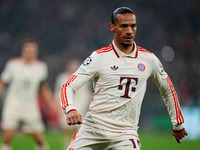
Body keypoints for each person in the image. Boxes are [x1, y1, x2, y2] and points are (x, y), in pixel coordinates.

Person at [60, 7, 188, 150]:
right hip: (93, 129)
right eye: (123, 26)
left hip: (125, 134)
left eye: (133, 26)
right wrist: (70, 109)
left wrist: (178, 124)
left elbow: (168, 90)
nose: (129, 31)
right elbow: (68, 86)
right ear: (112, 27)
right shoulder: (98, 57)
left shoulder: (149, 60)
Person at [0, 40, 55, 150]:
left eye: (32, 51)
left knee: (39, 138)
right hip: (13, 103)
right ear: (23, 52)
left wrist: (51, 102)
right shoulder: (13, 64)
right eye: (27, 50)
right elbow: (3, 81)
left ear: (35, 52)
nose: (29, 53)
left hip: (30, 105)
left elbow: (43, 86)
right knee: (7, 137)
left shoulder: (41, 67)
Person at [54, 59, 91, 148]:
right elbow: (58, 91)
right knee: (66, 128)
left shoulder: (84, 78)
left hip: (80, 104)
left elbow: (87, 92)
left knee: (79, 128)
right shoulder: (62, 78)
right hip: (66, 105)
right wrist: (56, 103)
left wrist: (88, 103)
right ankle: (65, 145)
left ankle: (77, 146)